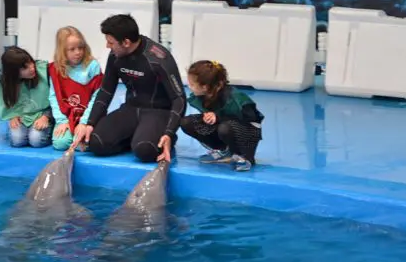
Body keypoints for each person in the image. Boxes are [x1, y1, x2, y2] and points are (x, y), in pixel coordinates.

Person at [70, 14, 186, 163]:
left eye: (111, 43)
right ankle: (137, 137)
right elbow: (106, 90)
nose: (107, 46)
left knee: (145, 151)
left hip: (158, 112)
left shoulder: (159, 58)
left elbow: (179, 98)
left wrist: (169, 133)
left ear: (126, 42)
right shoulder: (115, 55)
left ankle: (152, 138)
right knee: (95, 142)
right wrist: (90, 123)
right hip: (131, 109)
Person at [180, 60, 264, 171]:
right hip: (224, 126)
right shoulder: (203, 96)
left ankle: (243, 156)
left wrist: (219, 118)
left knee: (225, 128)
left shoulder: (235, 97)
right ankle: (223, 151)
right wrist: (209, 116)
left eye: (192, 85)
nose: (189, 87)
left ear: (205, 87)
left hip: (246, 131)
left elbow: (252, 120)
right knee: (187, 122)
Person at [48, 26, 103, 151]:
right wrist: (62, 120)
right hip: (67, 116)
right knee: (60, 143)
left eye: (80, 48)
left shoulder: (92, 66)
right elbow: (54, 96)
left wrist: (84, 122)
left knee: (90, 143)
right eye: (72, 49)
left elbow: (97, 97)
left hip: (89, 115)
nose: (78, 52)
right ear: (62, 51)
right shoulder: (56, 68)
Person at [0, 46, 53, 148]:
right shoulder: (1, 81)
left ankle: (50, 129)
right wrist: (12, 116)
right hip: (21, 117)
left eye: (31, 62)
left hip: (43, 115)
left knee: (36, 140)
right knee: (17, 141)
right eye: (24, 67)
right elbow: (3, 104)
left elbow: (57, 99)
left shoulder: (44, 71)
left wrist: (46, 116)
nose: (32, 68)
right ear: (13, 72)